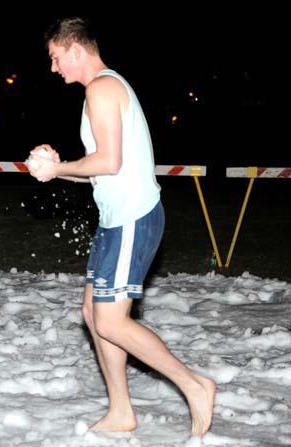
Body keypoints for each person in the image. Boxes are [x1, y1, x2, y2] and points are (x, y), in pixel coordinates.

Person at [27, 17, 216, 437]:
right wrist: (55, 170)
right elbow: (101, 170)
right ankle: (120, 411)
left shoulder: (102, 89)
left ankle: (195, 386)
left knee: (111, 321)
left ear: (75, 49)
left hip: (133, 217)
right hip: (118, 218)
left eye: (56, 58)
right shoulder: (102, 90)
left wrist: (59, 165)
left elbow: (108, 161)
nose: (54, 68)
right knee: (93, 314)